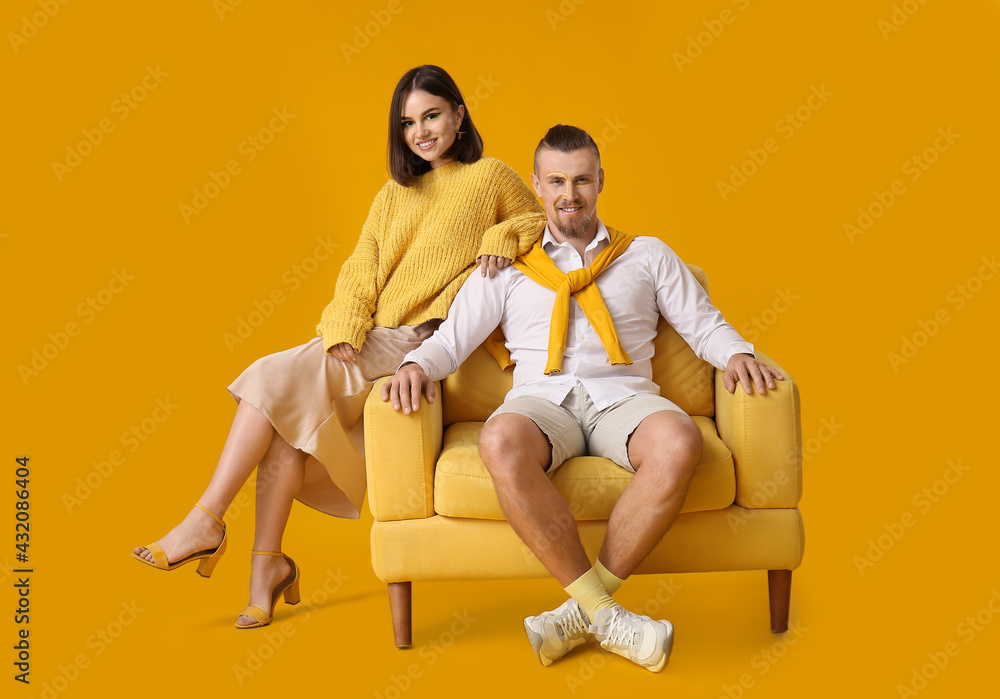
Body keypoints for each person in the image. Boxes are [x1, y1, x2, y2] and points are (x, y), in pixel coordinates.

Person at [132, 65, 545, 629]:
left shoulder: (490, 176)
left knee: (267, 377)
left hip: (422, 340)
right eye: (408, 123)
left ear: (458, 114)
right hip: (373, 338)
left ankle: (206, 520)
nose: (421, 131)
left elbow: (540, 220)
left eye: (432, 115)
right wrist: (346, 321)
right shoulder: (393, 194)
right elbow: (360, 269)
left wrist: (500, 236)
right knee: (284, 436)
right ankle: (266, 569)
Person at [381, 124, 784, 671]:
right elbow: (452, 339)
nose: (569, 193)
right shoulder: (506, 267)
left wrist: (737, 354)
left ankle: (578, 615)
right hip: (541, 399)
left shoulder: (646, 255)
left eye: (581, 180)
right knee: (499, 441)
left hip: (625, 397)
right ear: (537, 187)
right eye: (556, 181)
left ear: (600, 182)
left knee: (679, 441)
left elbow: (703, 324)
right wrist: (413, 366)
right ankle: (608, 615)